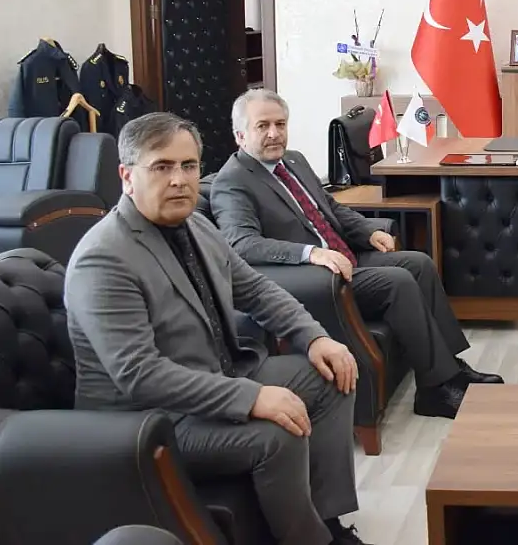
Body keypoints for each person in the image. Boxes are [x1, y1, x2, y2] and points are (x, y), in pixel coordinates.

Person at [64, 112, 369, 545]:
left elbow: (256, 291)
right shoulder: (103, 258)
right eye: (162, 166)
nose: (179, 180)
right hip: (149, 421)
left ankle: (328, 520)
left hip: (217, 373)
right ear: (127, 176)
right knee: (276, 433)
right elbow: (139, 375)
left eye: (188, 166)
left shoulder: (196, 225)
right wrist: (252, 397)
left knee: (334, 374)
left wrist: (316, 336)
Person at [211, 89, 502, 420]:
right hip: (316, 280)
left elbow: (329, 207)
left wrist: (367, 230)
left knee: (419, 263)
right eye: (262, 126)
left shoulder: (293, 160)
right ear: (240, 135)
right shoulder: (232, 182)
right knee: (398, 282)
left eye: (280, 124)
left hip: (347, 257)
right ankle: (435, 390)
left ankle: (450, 369)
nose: (274, 133)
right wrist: (309, 253)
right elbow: (242, 243)